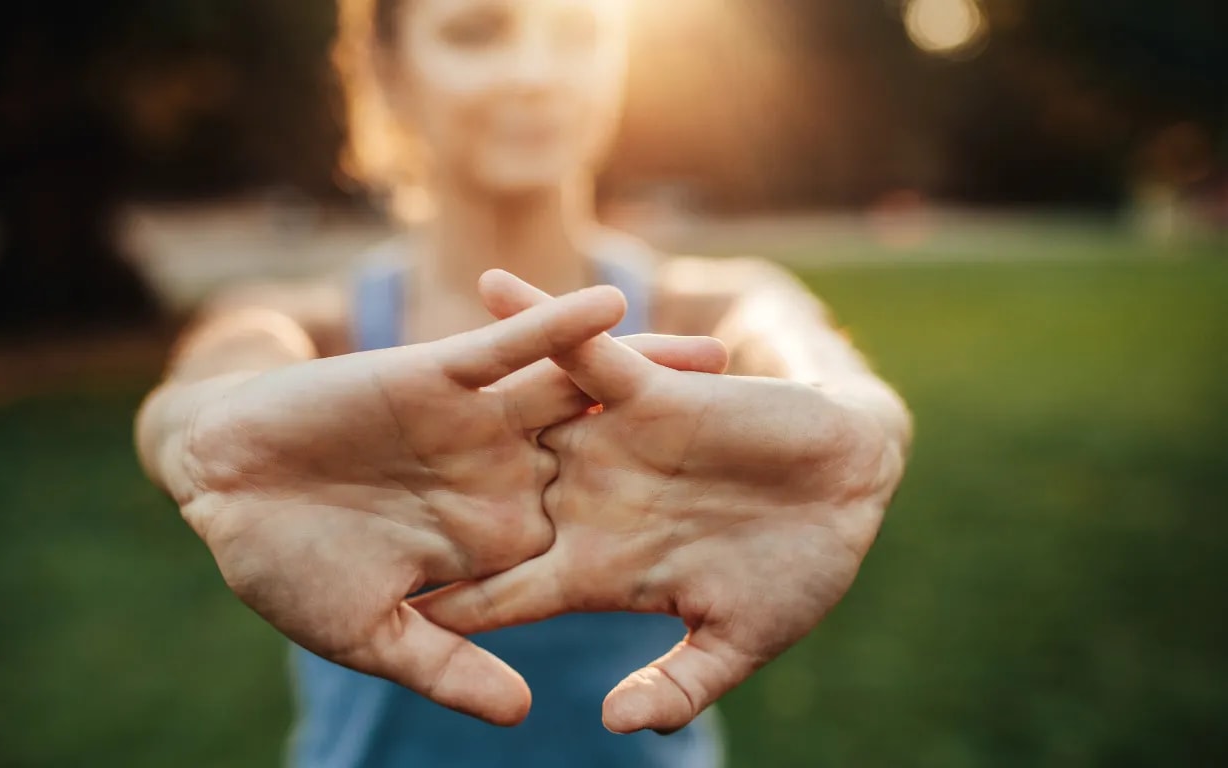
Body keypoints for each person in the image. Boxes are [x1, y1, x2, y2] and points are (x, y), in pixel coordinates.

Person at [133, 0, 912, 766]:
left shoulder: (712, 306)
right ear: (387, 70)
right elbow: (205, 395)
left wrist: (862, 431)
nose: (536, 74)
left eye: (578, 31)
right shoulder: (306, 325)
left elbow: (817, 371)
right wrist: (201, 444)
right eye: (477, 32)